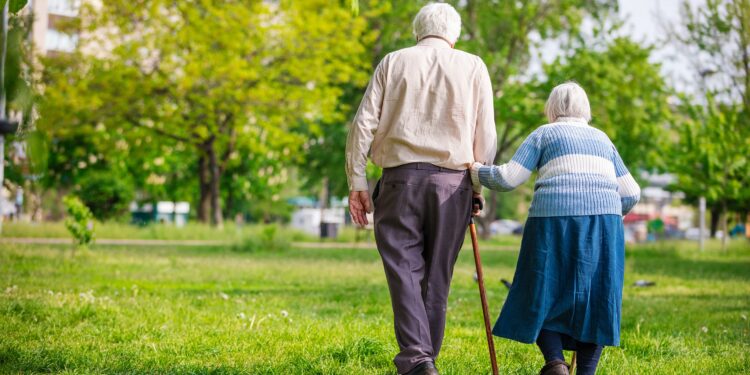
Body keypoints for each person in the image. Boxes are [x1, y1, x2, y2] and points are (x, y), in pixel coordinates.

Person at [345, 3, 497, 374]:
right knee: (437, 277)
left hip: (399, 180)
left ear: (418, 31)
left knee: (404, 271)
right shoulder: (473, 65)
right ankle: (423, 359)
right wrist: (478, 185)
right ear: (454, 35)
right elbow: (485, 134)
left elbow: (363, 124)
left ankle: (418, 360)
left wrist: (357, 181)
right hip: (453, 183)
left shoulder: (393, 61)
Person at [470, 82, 640, 375]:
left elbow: (509, 178)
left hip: (552, 220)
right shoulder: (603, 139)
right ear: (585, 109)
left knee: (538, 290)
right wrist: (612, 215)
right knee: (596, 298)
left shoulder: (544, 134)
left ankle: (555, 363)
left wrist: (474, 170)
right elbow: (632, 192)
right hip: (604, 222)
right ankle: (585, 372)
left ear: (552, 108)